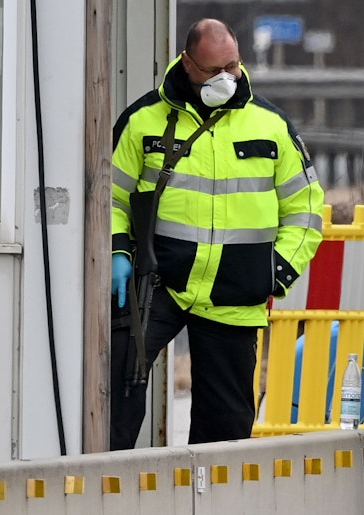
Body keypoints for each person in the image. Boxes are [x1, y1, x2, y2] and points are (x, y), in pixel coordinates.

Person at [108, 19, 324, 450]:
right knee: (115, 391)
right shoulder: (142, 120)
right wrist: (117, 250)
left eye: (234, 66)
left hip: (234, 292)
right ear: (187, 64)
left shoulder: (271, 125)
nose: (227, 78)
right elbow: (110, 197)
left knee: (226, 425)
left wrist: (275, 272)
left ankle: (210, 512)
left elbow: (306, 210)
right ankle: (109, 489)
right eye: (214, 71)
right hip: (157, 284)